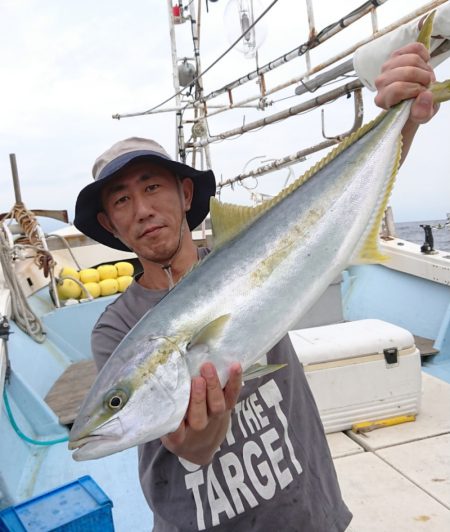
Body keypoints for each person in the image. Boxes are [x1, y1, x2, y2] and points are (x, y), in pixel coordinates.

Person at [74, 41, 439, 531]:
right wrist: (200, 434)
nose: (141, 208)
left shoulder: (251, 251)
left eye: (152, 186)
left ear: (185, 195)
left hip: (307, 510)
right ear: (110, 225)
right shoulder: (116, 328)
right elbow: (194, 447)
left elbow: (331, 214)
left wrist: (404, 117)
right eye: (121, 200)